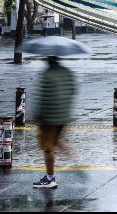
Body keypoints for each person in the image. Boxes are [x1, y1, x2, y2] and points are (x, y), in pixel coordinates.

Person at [32, 55, 77, 188]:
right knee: (55, 141)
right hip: (63, 116)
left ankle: (50, 179)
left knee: (48, 148)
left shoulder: (47, 74)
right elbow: (73, 90)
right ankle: (73, 157)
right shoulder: (67, 72)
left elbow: (44, 98)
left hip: (49, 117)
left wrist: (37, 116)